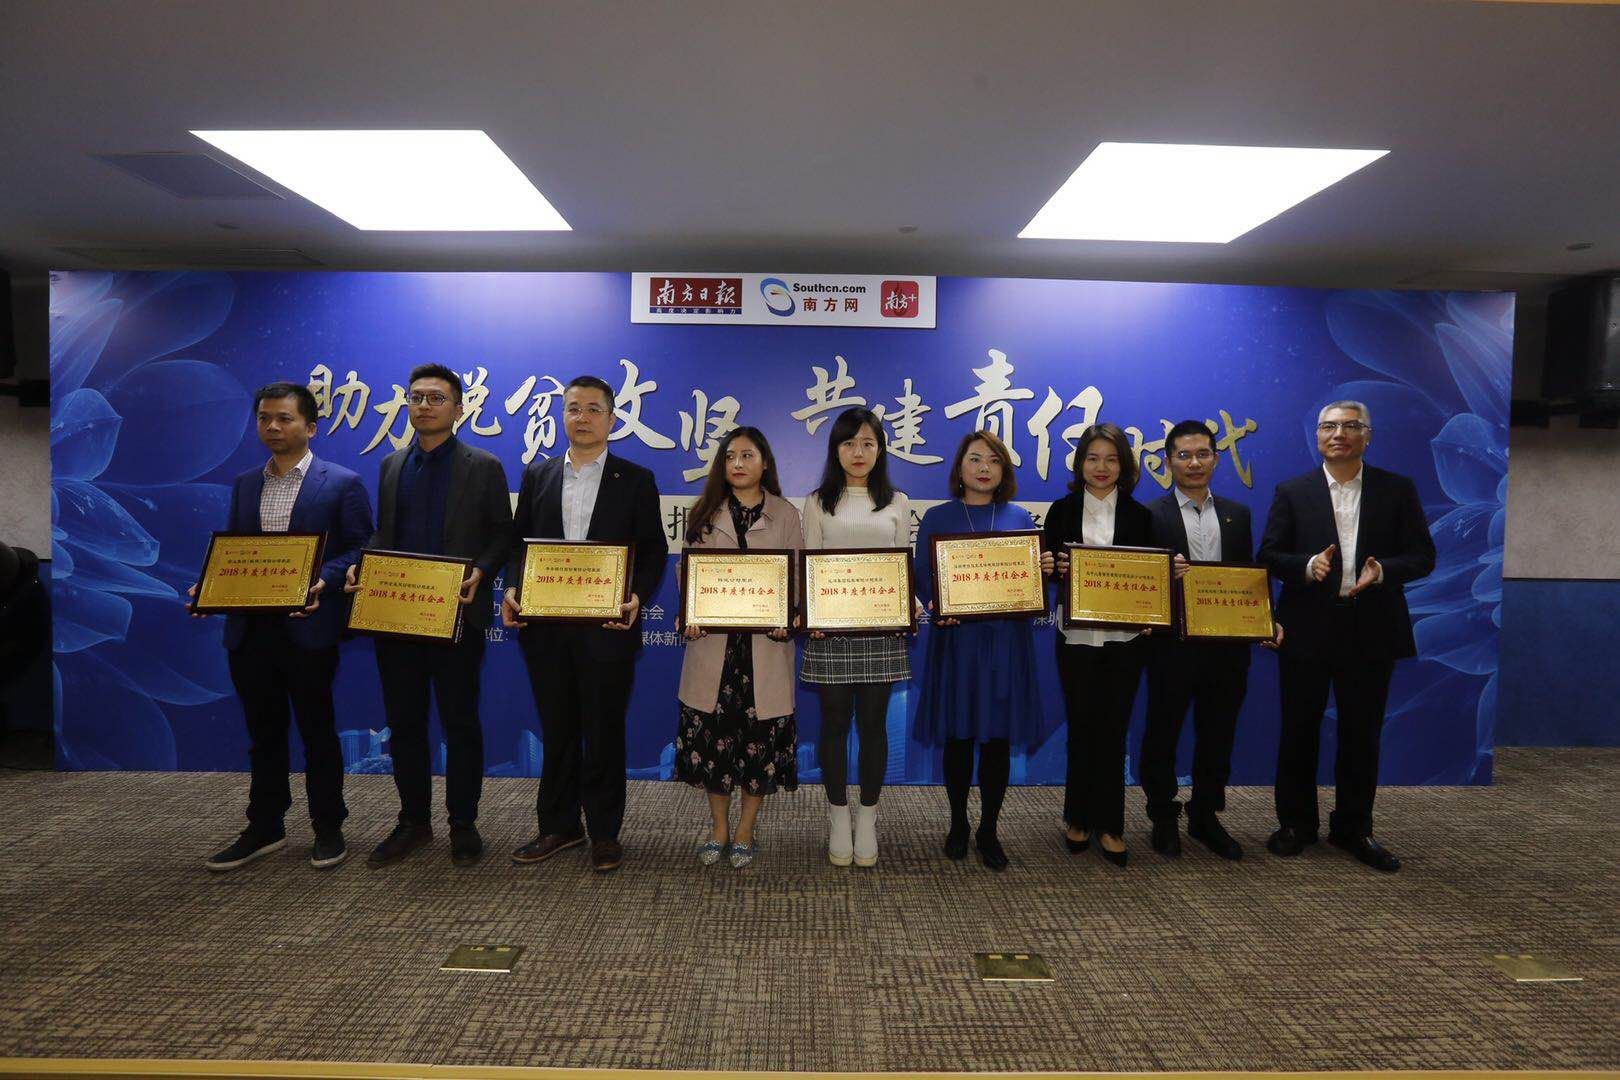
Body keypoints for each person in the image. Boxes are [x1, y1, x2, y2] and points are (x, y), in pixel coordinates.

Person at [343, 364, 513, 868]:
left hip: (456, 616)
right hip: (397, 617)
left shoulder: (483, 466)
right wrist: (362, 567)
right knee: (404, 724)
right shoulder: (392, 465)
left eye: (436, 398)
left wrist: (482, 571)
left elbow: (502, 534)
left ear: (458, 409)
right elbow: (383, 535)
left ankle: (463, 823)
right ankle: (413, 821)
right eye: (416, 397)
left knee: (461, 724)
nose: (424, 406)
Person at [198, 382, 372, 872]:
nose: (272, 427)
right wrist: (211, 586)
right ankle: (265, 825)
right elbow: (238, 551)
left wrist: (324, 579)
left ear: (310, 427)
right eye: (264, 418)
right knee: (263, 732)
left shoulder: (342, 483)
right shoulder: (245, 483)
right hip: (250, 629)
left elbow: (362, 546)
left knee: (318, 731)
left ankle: (328, 826)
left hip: (308, 627)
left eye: (284, 418)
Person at [1257, 400, 1435, 872]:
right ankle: (1295, 824)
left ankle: (1354, 828)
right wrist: (1305, 566)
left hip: (1371, 628)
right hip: (1308, 628)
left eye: (1351, 426)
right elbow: (1269, 554)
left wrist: (1384, 571)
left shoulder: (1397, 489)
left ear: (1367, 435)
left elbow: (1423, 556)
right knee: (1298, 731)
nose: (1339, 434)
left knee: (1362, 734)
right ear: (1318, 436)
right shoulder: (1293, 491)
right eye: (1329, 426)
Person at [503, 375, 668, 873]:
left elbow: (653, 550)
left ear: (612, 419)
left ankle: (604, 832)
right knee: (557, 730)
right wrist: (513, 588)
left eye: (594, 409)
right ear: (563, 416)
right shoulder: (538, 475)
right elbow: (519, 545)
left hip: (607, 630)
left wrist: (635, 596)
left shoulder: (635, 479)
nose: (583, 417)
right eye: (573, 408)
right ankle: (558, 826)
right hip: (547, 629)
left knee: (603, 731)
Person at [1140, 419, 1281, 861]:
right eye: (1183, 455)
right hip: (1171, 647)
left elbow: (1247, 579)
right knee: (1162, 732)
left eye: (1202, 454)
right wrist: (1163, 574)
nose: (1194, 463)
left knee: (1218, 733)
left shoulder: (1238, 514)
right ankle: (1163, 815)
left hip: (1227, 646)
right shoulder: (1149, 515)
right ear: (1168, 462)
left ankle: (1205, 814)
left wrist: (1266, 620)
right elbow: (1140, 583)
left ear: (1216, 460)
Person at [913, 431, 1053, 871]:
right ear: (960, 468)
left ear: (1004, 469)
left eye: (993, 460)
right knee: (958, 736)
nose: (984, 468)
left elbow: (1030, 585)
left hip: (1005, 643)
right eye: (975, 459)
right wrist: (937, 606)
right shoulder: (937, 517)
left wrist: (1043, 571)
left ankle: (989, 829)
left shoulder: (1019, 518)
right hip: (956, 642)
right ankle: (958, 823)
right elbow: (923, 575)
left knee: (996, 739)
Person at [674, 427, 802, 869]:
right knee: (713, 744)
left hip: (764, 649)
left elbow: (796, 575)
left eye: (747, 455)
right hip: (715, 648)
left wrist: (789, 615)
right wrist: (691, 613)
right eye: (730, 457)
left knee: (757, 746)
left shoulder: (786, 513)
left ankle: (746, 829)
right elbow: (689, 576)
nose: (738, 464)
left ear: (764, 463)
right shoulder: (704, 511)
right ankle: (719, 828)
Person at [800, 407, 912, 868]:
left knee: (872, 725)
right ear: (836, 450)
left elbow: (902, 565)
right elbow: (809, 564)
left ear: (880, 449)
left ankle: (867, 817)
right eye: (849, 443)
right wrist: (810, 613)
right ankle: (837, 814)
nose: (858, 452)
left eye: (868, 443)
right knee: (833, 724)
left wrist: (909, 606)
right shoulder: (817, 502)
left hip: (880, 630)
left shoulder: (897, 501)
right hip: (831, 630)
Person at [1042, 422, 1153, 869]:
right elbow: (1047, 568)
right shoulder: (1061, 510)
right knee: (1082, 726)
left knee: (1114, 729)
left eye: (1110, 459)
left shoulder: (1141, 516)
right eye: (1093, 458)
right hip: (1076, 636)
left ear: (1123, 465)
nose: (1101, 467)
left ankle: (1111, 824)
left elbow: (1150, 577)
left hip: (1125, 639)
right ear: (1080, 464)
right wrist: (1052, 565)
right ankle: (1078, 817)